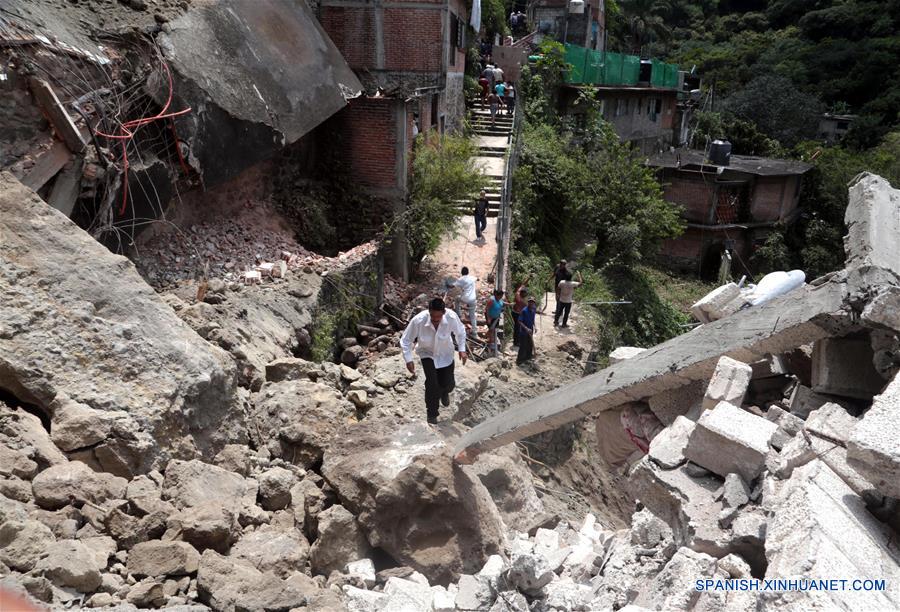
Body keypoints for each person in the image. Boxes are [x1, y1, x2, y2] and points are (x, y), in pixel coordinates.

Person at [400, 298, 468, 424]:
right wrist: (408, 359)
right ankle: (432, 414)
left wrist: (462, 349)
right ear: (429, 311)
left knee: (448, 383)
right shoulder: (418, 320)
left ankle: (444, 392)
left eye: (439, 316)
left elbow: (461, 332)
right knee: (432, 384)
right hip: (427, 354)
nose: (435, 319)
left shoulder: (452, 317)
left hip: (445, 354)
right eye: (433, 316)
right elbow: (405, 340)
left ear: (444, 313)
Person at [453, 266, 479, 338]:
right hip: (473, 299)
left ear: (462, 273)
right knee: (472, 316)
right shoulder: (472, 277)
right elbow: (478, 279)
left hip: (465, 299)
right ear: (468, 272)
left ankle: (458, 314)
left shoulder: (460, 279)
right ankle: (474, 332)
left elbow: (452, 285)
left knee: (457, 299)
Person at [516, 296, 538, 364]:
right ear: (528, 302)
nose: (531, 303)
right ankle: (519, 360)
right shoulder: (524, 311)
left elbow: (533, 319)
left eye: (532, 302)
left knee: (530, 344)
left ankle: (528, 357)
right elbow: (519, 321)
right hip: (524, 331)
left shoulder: (534, 309)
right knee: (523, 345)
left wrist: (535, 326)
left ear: (534, 303)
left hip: (530, 329)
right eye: (530, 302)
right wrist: (526, 328)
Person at [485, 289, 506, 356]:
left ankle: (490, 339)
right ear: (496, 295)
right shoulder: (492, 300)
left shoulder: (500, 300)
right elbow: (487, 309)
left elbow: (503, 303)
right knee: (492, 329)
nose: (501, 297)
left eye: (502, 296)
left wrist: (509, 304)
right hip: (491, 317)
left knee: (493, 329)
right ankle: (491, 343)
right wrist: (488, 318)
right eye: (500, 296)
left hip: (496, 318)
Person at [510, 276, 530, 346]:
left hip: (515, 312)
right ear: (523, 293)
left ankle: (517, 340)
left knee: (518, 327)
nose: (526, 295)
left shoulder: (517, 293)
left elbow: (523, 284)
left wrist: (528, 278)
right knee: (517, 328)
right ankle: (516, 342)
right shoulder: (522, 301)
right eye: (525, 294)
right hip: (517, 314)